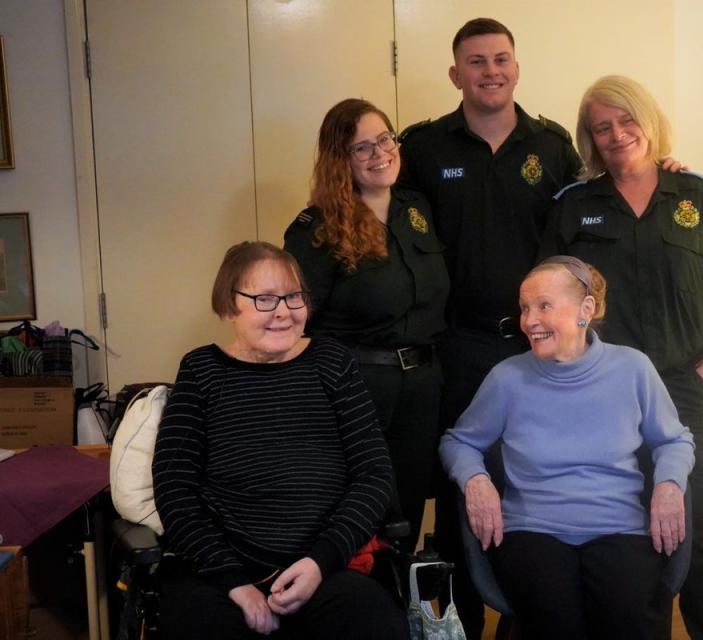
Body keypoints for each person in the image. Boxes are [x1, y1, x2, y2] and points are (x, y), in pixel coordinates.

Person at [541, 75, 703, 640]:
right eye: (602, 127)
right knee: (632, 534)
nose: (617, 134)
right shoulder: (572, 205)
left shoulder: (697, 195)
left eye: (626, 120)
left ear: (648, 120)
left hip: (685, 385)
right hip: (601, 393)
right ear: (590, 139)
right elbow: (548, 303)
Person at [397, 18, 582, 637]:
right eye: (476, 62)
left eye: (501, 58)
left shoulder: (553, 147)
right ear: (456, 75)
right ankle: (460, 625)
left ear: (517, 67)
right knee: (461, 495)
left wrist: (666, 165)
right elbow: (377, 211)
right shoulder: (423, 149)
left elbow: (597, 210)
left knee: (534, 484)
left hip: (539, 348)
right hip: (460, 346)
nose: (491, 71)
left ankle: (526, 621)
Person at [152, 241, 406, 640]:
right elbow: (174, 489)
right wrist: (234, 583)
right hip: (223, 574)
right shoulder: (201, 371)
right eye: (265, 299)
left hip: (323, 567)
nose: (284, 311)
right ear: (228, 306)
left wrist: (321, 561)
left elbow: (373, 475)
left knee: (373, 621)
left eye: (293, 297)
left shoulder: (332, 363)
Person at [439, 256, 695, 640]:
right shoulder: (508, 378)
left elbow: (675, 440)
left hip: (618, 526)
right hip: (534, 529)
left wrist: (669, 484)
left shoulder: (633, 369)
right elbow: (458, 441)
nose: (529, 321)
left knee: (629, 619)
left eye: (543, 306)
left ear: (585, 310)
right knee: (557, 624)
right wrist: (476, 480)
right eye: (525, 308)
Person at [284, 98, 449, 552]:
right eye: (362, 148)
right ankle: (364, 612)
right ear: (341, 160)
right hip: (356, 387)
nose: (380, 154)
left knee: (410, 509)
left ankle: (401, 614)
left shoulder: (418, 208)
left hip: (422, 385)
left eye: (384, 139)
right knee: (361, 512)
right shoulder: (316, 228)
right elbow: (293, 321)